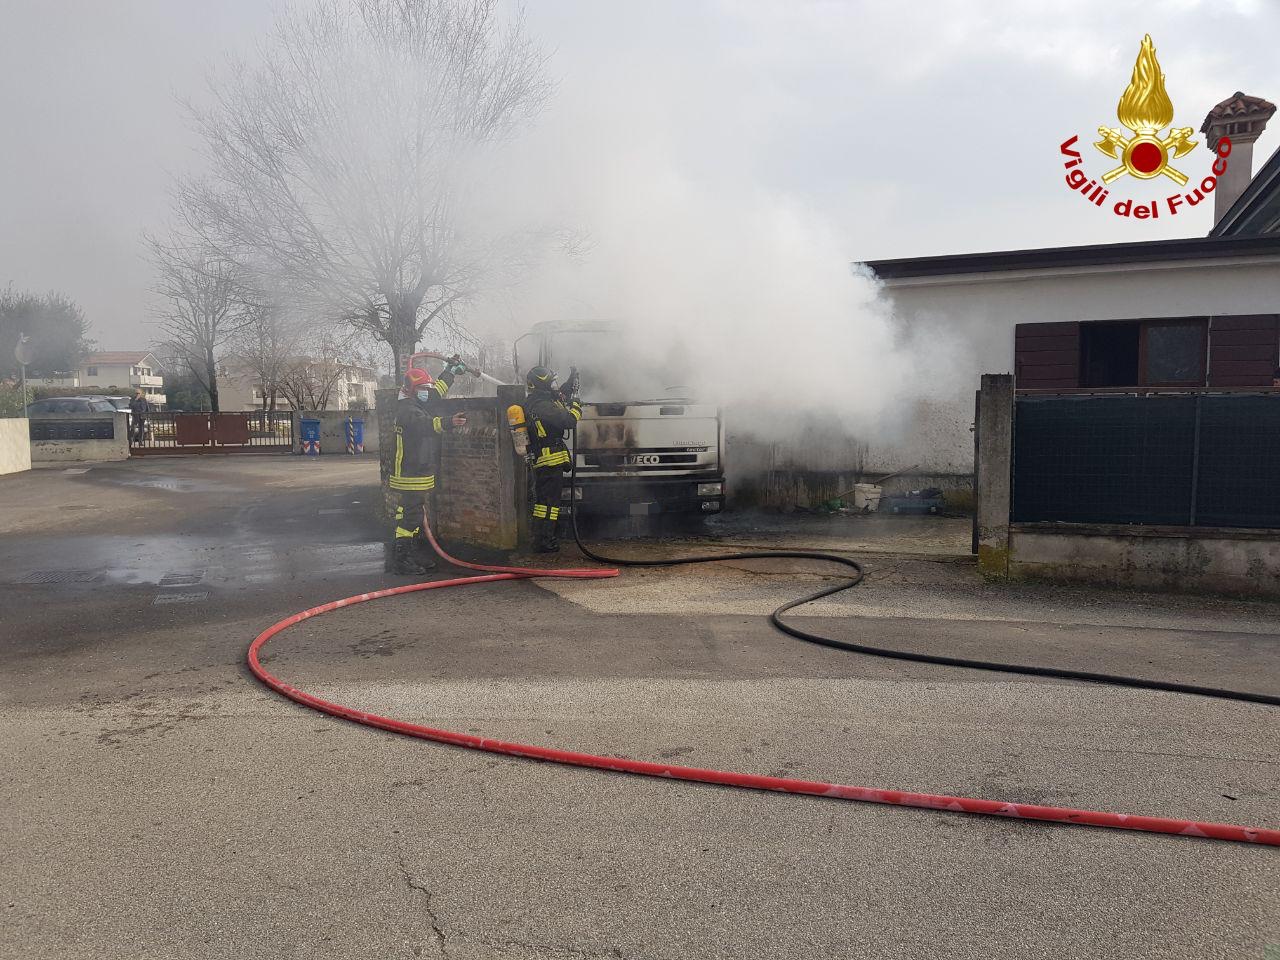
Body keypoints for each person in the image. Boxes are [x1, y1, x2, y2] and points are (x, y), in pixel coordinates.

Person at [387, 356, 469, 575]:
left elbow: (436, 392)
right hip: (410, 473)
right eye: (422, 388)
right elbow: (425, 425)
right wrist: (449, 422)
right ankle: (402, 561)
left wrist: (450, 371)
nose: (427, 391)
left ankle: (408, 555)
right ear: (413, 390)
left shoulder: (415, 400)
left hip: (415, 471)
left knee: (409, 513)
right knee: (411, 516)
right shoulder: (407, 411)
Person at [522, 365, 581, 553]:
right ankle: (544, 541)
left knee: (545, 504)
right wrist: (577, 405)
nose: (555, 385)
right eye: (551, 382)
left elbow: (560, 394)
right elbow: (569, 421)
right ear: (543, 385)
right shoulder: (542, 406)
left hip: (548, 460)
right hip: (549, 461)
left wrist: (571, 379)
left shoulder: (540, 401)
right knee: (548, 504)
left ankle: (543, 538)